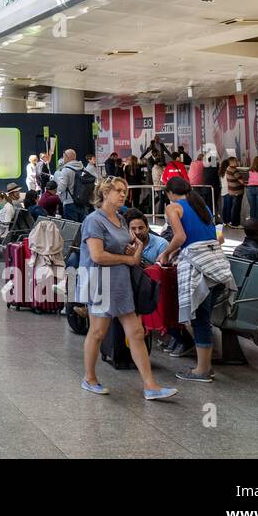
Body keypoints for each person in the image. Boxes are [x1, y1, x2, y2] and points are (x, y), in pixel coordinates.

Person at [78, 176, 177, 401]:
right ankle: (89, 378)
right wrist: (127, 259)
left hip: (120, 281)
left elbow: (129, 256)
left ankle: (150, 385)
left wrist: (137, 249)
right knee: (98, 332)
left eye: (124, 190)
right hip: (100, 280)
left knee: (136, 332)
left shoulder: (121, 219)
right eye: (118, 190)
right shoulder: (94, 221)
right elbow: (97, 255)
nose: (123, 194)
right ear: (105, 193)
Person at [158, 176, 232, 384]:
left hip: (197, 269)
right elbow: (216, 237)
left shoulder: (173, 208)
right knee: (204, 318)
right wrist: (177, 251)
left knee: (200, 319)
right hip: (216, 265)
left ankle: (202, 370)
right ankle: (205, 366)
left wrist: (166, 253)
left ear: (169, 193)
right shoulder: (201, 205)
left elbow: (180, 237)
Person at [54, 149, 88, 222]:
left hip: (70, 202)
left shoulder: (66, 170)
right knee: (82, 227)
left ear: (67, 157)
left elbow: (61, 188)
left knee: (72, 228)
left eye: (64, 157)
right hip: (82, 201)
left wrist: (58, 191)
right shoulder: (83, 168)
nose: (63, 159)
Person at [219, 156, 244, 227]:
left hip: (226, 190)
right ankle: (232, 222)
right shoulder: (232, 170)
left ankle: (225, 221)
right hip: (232, 190)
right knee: (233, 208)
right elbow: (241, 181)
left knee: (226, 207)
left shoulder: (223, 171)